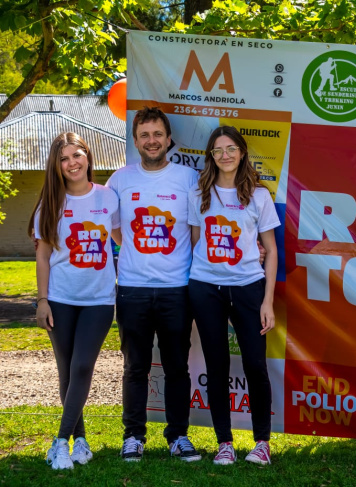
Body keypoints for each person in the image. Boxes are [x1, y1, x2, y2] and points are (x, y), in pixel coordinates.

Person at [106, 107, 201, 462]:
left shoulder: (188, 178)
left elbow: (195, 233)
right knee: (135, 367)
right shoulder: (119, 180)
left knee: (177, 367)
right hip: (132, 288)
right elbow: (116, 231)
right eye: (144, 135)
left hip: (177, 289)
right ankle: (133, 436)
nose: (152, 141)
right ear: (135, 141)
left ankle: (178, 436)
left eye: (157, 134)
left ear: (169, 138)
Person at [187, 126, 279, 465]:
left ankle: (262, 443)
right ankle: (224, 442)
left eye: (230, 149)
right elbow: (195, 241)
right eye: (217, 150)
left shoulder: (259, 195)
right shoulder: (199, 193)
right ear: (211, 156)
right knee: (216, 365)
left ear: (242, 152)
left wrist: (267, 301)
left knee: (255, 364)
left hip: (248, 288)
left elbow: (271, 250)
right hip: (205, 288)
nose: (224, 155)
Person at [28, 133, 119, 470]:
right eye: (64, 159)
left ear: (87, 156)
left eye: (76, 155)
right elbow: (43, 257)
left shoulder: (108, 197)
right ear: (57, 166)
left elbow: (122, 238)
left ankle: (60, 442)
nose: (72, 163)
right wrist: (42, 300)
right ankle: (80, 441)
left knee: (82, 366)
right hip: (60, 299)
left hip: (99, 299)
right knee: (66, 371)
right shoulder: (50, 204)